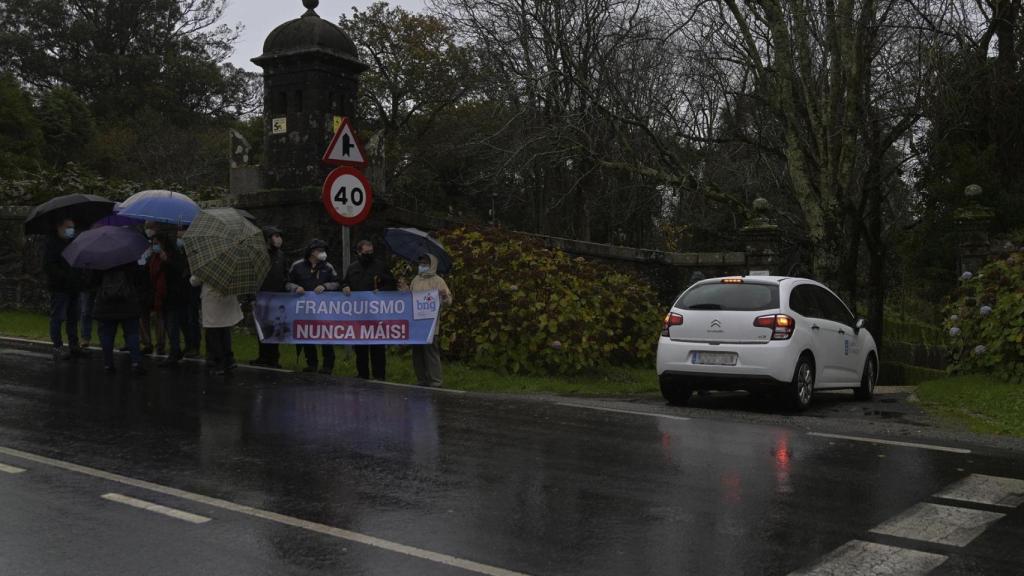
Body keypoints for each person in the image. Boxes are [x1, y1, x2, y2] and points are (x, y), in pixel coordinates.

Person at [342, 240, 397, 380]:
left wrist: (382, 290)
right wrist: (345, 287)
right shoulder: (352, 267)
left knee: (377, 347)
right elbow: (345, 282)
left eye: (371, 252)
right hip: (358, 314)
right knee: (360, 346)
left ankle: (379, 376)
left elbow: (392, 284)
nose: (369, 255)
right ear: (359, 252)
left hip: (376, 314)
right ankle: (362, 374)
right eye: (366, 253)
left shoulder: (380, 266)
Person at [286, 239, 340, 374]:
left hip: (324, 310)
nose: (323, 253)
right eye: (319, 250)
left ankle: (328, 366)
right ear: (311, 252)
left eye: (324, 250)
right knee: (307, 335)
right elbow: (286, 283)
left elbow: (337, 283)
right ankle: (312, 363)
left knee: (326, 337)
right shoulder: (297, 266)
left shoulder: (328, 267)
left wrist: (325, 286)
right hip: (304, 309)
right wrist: (295, 287)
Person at [403, 253, 453, 388]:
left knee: (431, 353)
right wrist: (404, 290)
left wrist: (444, 296)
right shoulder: (415, 280)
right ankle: (422, 379)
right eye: (421, 263)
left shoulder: (438, 281)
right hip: (416, 323)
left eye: (425, 263)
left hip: (431, 324)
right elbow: (409, 299)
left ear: (432, 265)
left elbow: (448, 301)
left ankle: (436, 381)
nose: (422, 266)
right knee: (417, 353)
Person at [44, 218, 86, 361]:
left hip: (74, 287)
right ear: (59, 227)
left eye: (73, 227)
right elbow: (49, 266)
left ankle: (74, 346)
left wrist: (79, 277)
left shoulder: (72, 243)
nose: (71, 230)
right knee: (58, 317)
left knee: (73, 318)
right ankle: (58, 346)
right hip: (60, 288)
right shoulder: (52, 244)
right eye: (68, 227)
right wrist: (65, 276)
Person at [92, 263, 145, 375]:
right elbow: (138, 277)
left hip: (105, 303)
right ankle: (136, 363)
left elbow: (92, 280)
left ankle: (108, 364)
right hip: (127, 302)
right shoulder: (128, 259)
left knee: (106, 335)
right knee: (132, 333)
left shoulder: (99, 259)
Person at [251, 226, 289, 368]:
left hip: (277, 297)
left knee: (275, 328)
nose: (278, 239)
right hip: (261, 296)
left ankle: (274, 358)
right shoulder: (259, 255)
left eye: (279, 235)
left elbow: (285, 274)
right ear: (267, 239)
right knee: (262, 328)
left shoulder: (281, 255)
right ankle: (263, 356)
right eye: (275, 236)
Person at [190, 275, 242, 376]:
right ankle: (229, 359)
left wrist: (193, 276)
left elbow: (194, 281)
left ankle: (218, 363)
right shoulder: (229, 263)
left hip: (212, 301)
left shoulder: (209, 264)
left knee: (214, 334)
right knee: (225, 331)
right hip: (226, 299)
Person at [155, 233, 188, 366]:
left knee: (172, 324)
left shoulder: (174, 257)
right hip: (167, 295)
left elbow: (178, 271)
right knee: (171, 324)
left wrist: (166, 261)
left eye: (157, 243)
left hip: (174, 296)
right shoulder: (160, 257)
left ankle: (174, 351)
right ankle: (176, 350)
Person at [178, 227, 201, 358]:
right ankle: (189, 344)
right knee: (184, 319)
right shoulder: (180, 250)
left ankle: (194, 346)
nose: (178, 233)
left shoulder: (194, 250)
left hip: (192, 289)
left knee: (192, 319)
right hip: (182, 290)